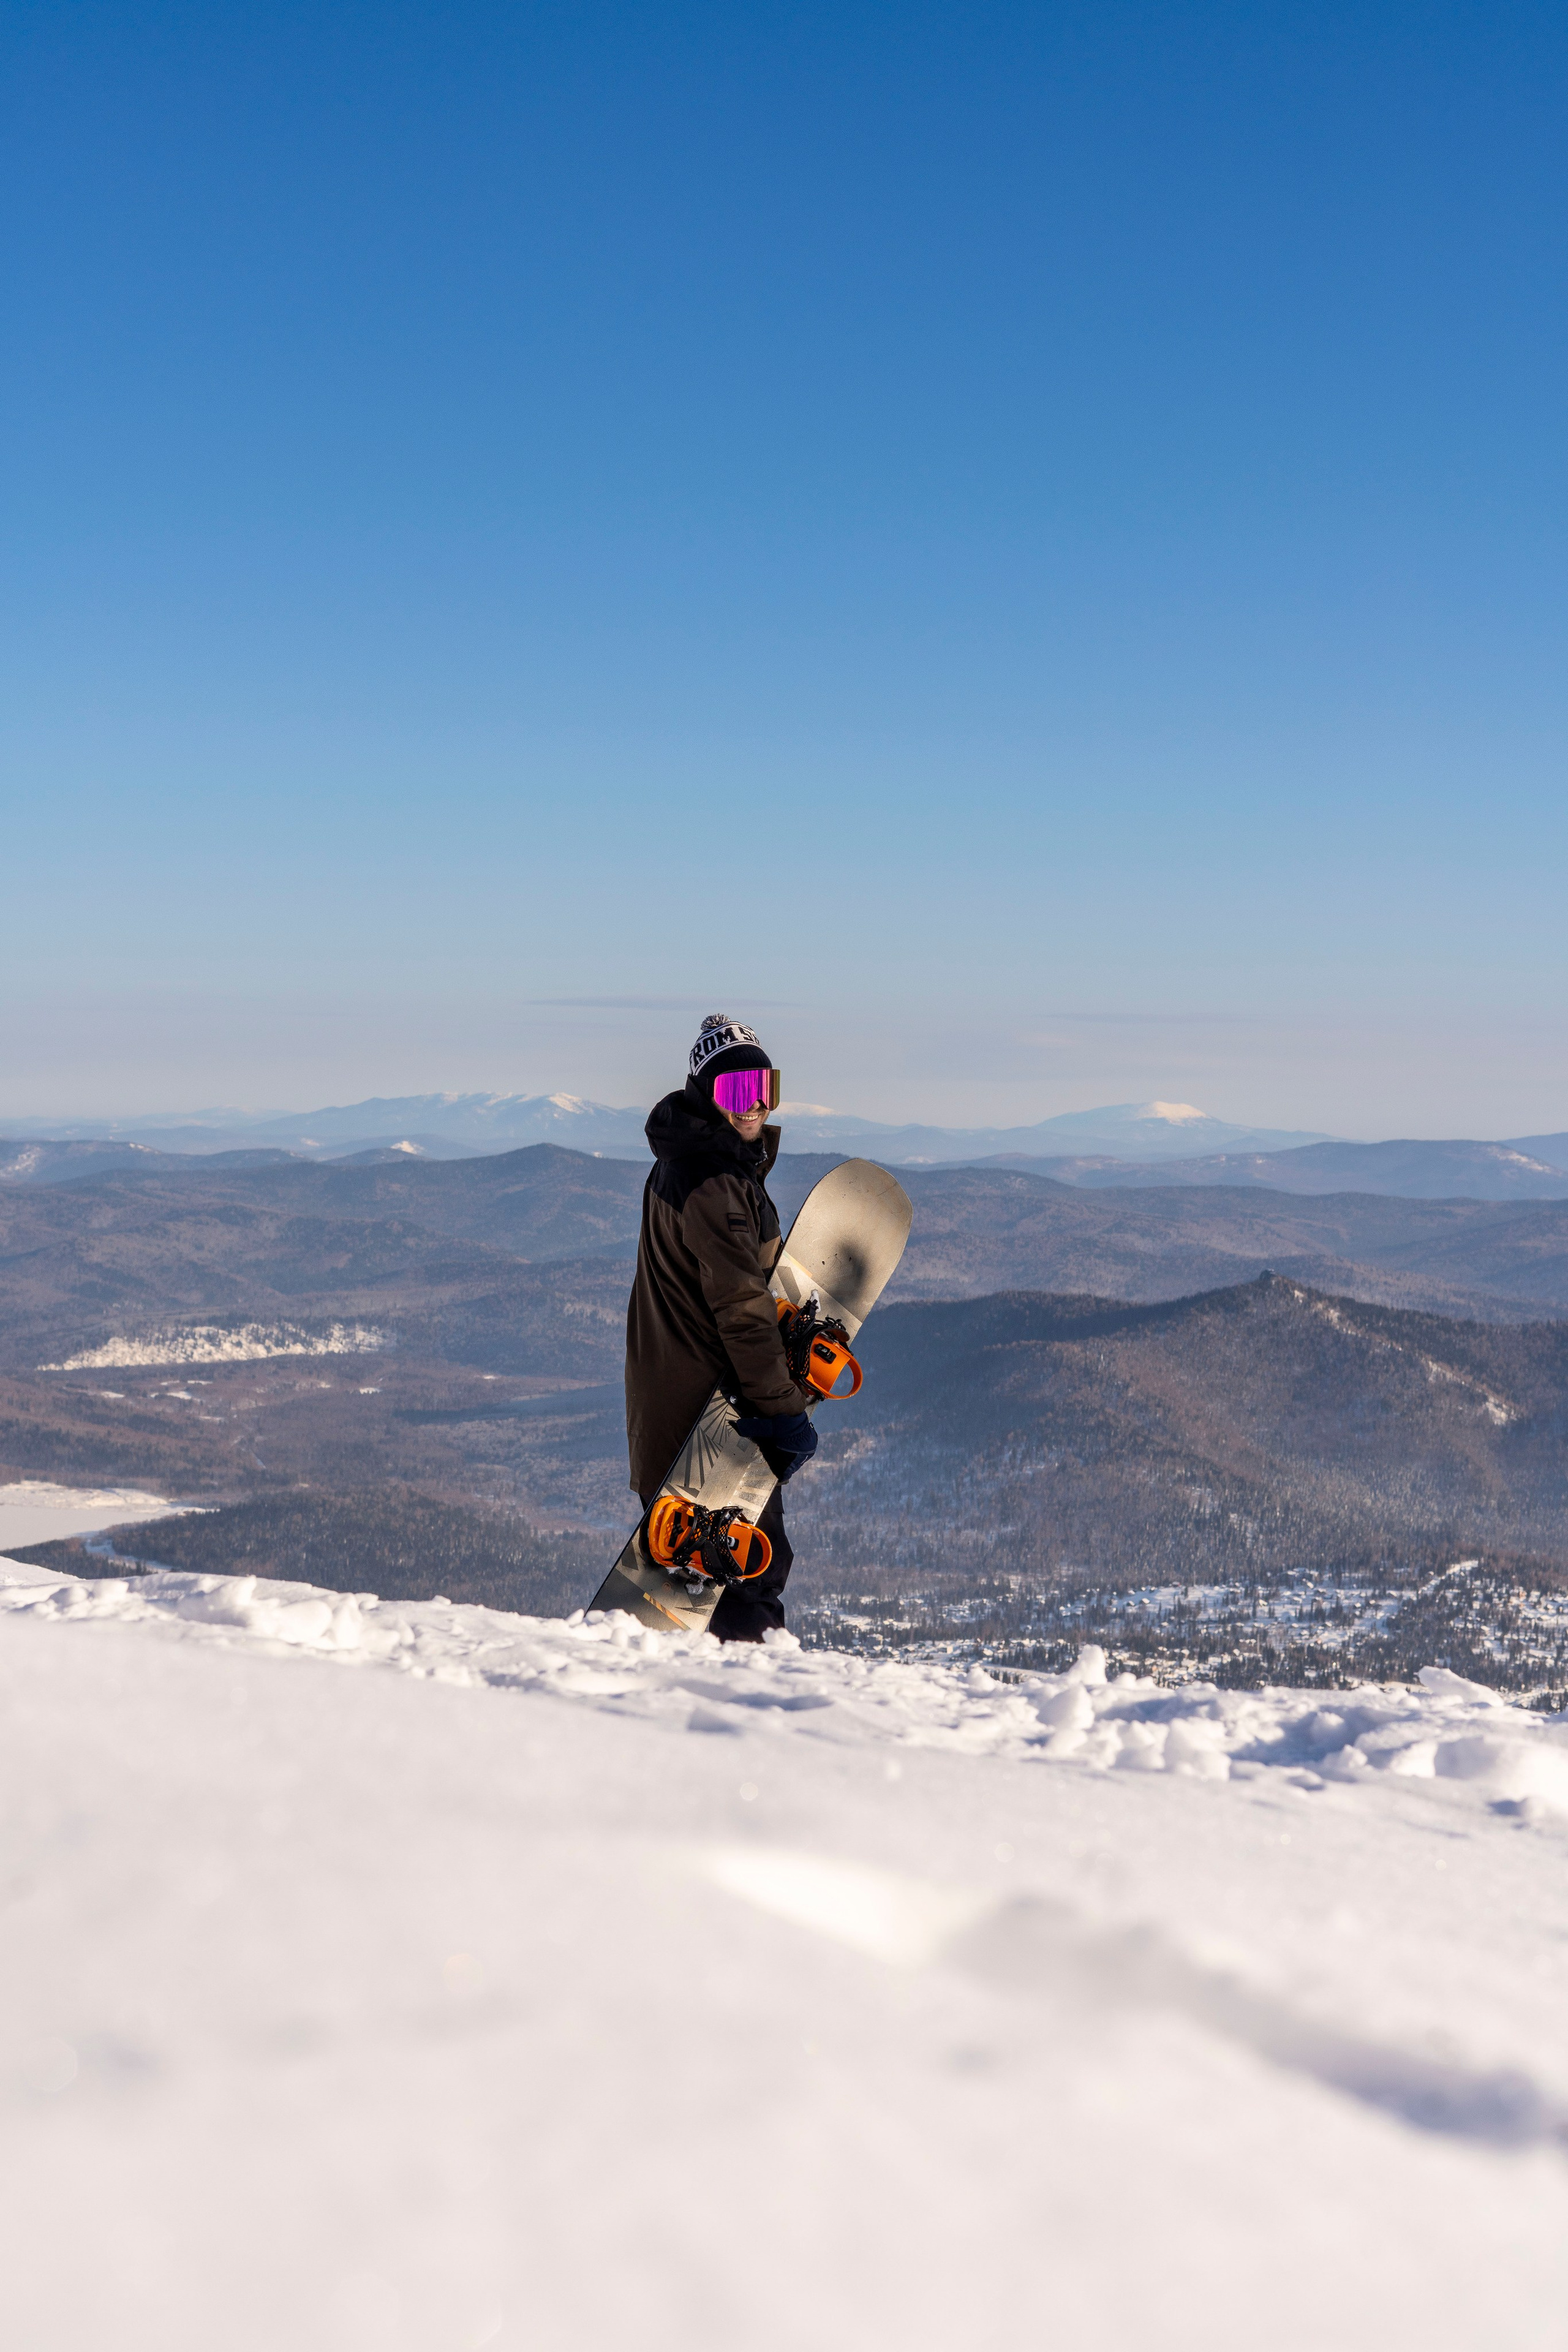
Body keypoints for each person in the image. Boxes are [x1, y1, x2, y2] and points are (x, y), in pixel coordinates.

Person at [625, 1014, 818, 1642]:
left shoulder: (687, 1165)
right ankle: (751, 1706)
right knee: (751, 1569)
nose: (756, 1104)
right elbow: (739, 1308)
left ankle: (712, 1703)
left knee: (714, 1575)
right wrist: (782, 1409)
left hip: (675, 1409)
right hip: (713, 1422)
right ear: (708, 1095)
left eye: (765, 1087)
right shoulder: (714, 1182)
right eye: (738, 1091)